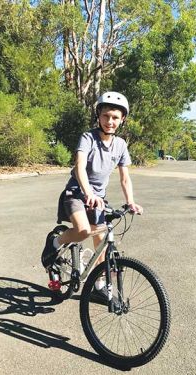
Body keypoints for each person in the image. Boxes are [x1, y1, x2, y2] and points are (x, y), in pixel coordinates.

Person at [41, 91, 143, 283]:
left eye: (115, 117)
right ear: (98, 115)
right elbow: (79, 166)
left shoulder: (120, 145)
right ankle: (54, 243)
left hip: (98, 199)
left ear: (122, 120)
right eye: (105, 115)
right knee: (83, 231)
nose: (109, 121)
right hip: (77, 193)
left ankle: (99, 284)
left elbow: (125, 178)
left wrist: (130, 202)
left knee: (102, 241)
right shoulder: (88, 138)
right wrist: (88, 193)